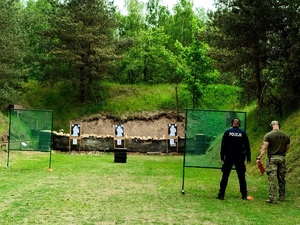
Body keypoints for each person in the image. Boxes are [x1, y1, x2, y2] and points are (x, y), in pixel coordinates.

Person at [256, 121, 290, 204]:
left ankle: (272, 198)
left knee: (272, 179)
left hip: (272, 158)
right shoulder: (286, 136)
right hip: (282, 158)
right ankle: (282, 196)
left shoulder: (268, 135)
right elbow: (287, 148)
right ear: (279, 126)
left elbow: (263, 148)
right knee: (281, 178)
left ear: (271, 126)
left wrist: (258, 158)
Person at [217, 118, 251, 200]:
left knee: (225, 175)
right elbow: (247, 146)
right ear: (239, 124)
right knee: (241, 176)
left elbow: (223, 146)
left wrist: (222, 157)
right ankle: (244, 195)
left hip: (229, 157)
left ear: (232, 124)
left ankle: (221, 194)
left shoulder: (227, 132)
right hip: (239, 157)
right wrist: (248, 157)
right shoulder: (243, 133)